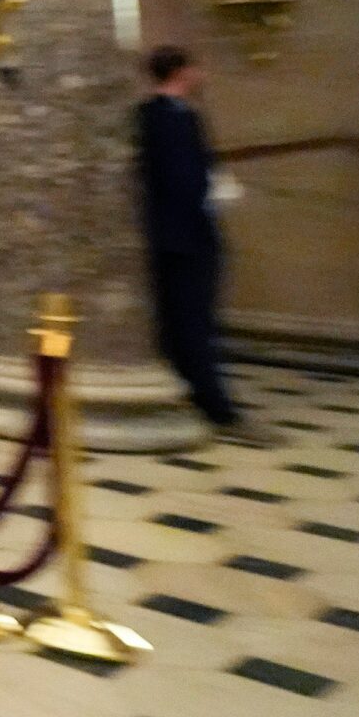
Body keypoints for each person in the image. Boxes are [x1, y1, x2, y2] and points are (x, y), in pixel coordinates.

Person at [137, 44, 244, 432]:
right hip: (185, 236)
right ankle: (213, 404)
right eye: (196, 67)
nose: (201, 75)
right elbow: (184, 179)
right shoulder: (173, 119)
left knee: (181, 321)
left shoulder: (154, 115)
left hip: (173, 234)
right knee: (193, 322)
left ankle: (189, 391)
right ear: (181, 72)